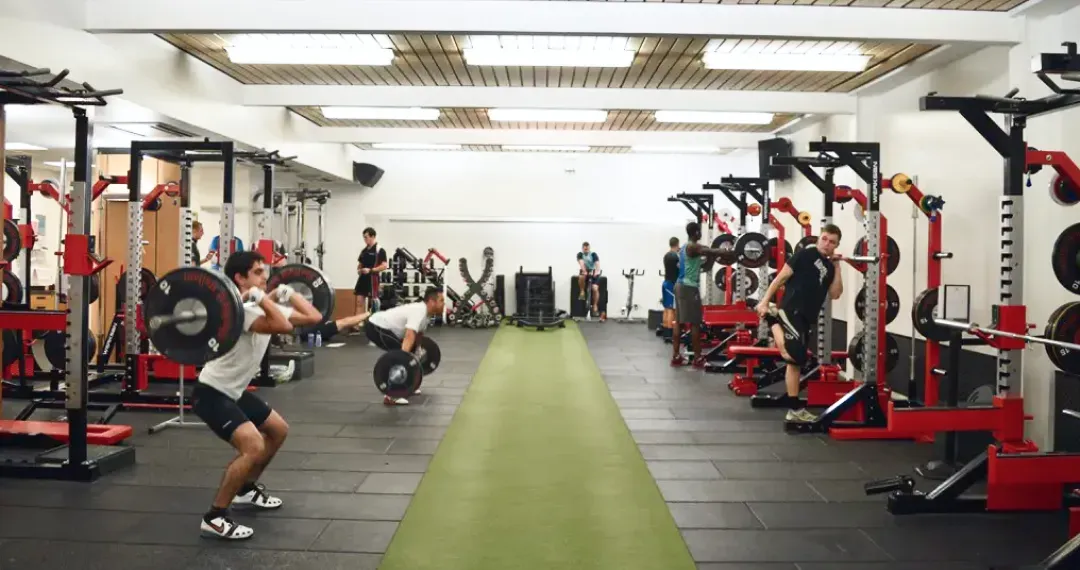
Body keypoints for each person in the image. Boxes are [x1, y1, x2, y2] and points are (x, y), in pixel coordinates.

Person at [191, 251, 323, 541]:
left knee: (277, 430)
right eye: (257, 272)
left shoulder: (259, 306)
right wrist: (266, 298)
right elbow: (284, 326)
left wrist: (285, 293)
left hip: (234, 391)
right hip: (212, 392)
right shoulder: (241, 310)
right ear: (240, 278)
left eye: (265, 271)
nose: (265, 276)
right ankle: (214, 517)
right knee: (252, 446)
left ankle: (245, 489)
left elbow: (314, 316)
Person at [755, 224, 844, 424]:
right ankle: (773, 319)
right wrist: (764, 300)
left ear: (836, 246)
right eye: (824, 239)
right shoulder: (805, 254)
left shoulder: (829, 267)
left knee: (794, 363)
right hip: (792, 309)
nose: (827, 244)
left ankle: (794, 408)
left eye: (832, 242)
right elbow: (781, 277)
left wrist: (837, 266)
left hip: (806, 317)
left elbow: (836, 294)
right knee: (795, 355)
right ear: (818, 239)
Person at [363, 286, 446, 406]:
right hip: (376, 326)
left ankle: (408, 386)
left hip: (386, 329)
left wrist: (416, 351)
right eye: (441, 301)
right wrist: (404, 358)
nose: (444, 304)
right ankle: (392, 395)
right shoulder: (420, 311)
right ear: (432, 302)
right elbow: (409, 335)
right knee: (398, 355)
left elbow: (418, 335)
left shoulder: (427, 314)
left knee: (407, 353)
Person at [671, 222, 734, 369]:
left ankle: (676, 356)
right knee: (694, 323)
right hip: (688, 288)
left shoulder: (684, 248)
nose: (700, 234)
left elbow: (705, 266)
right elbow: (717, 252)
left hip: (680, 286)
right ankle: (698, 358)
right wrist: (733, 251)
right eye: (699, 232)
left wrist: (713, 255)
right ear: (696, 233)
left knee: (679, 322)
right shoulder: (693, 246)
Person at [354, 227, 389, 320]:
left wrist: (371, 270)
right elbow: (360, 264)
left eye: (366, 237)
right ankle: (356, 325)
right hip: (363, 279)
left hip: (373, 279)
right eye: (364, 237)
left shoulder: (379, 250)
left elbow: (384, 265)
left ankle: (372, 325)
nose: (365, 239)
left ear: (373, 236)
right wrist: (359, 269)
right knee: (359, 302)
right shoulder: (364, 251)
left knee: (372, 304)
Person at [576, 241, 603, 320]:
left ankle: (595, 305)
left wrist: (596, 271)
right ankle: (582, 291)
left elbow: (597, 264)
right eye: (585, 248)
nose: (586, 249)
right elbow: (581, 263)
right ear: (583, 249)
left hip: (594, 271)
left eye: (587, 248)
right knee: (581, 276)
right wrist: (584, 271)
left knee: (594, 288)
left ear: (589, 248)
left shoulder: (593, 254)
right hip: (585, 270)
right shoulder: (580, 254)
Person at [661, 237, 680, 342]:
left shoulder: (667, 255)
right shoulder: (674, 257)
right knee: (671, 310)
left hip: (666, 283)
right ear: (677, 244)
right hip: (671, 285)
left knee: (666, 309)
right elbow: (680, 268)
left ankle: (665, 331)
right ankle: (669, 334)